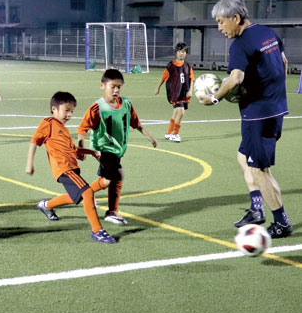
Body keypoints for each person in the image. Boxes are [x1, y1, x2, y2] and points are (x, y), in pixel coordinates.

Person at [200, 0, 292, 238]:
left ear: (236, 17)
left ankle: (281, 222)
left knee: (260, 170)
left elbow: (236, 78)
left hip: (258, 116)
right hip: (276, 108)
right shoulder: (267, 33)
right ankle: (256, 209)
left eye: (221, 21)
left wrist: (215, 97)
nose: (219, 27)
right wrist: (273, 91)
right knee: (244, 157)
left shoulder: (240, 44)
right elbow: (283, 62)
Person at [25, 91, 116, 244]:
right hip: (63, 169)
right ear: (54, 109)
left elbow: (73, 149)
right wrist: (29, 163)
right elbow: (34, 141)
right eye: (66, 110)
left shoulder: (63, 129)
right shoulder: (48, 123)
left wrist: (91, 152)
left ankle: (46, 205)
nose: (69, 114)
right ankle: (97, 231)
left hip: (72, 167)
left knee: (78, 196)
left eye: (71, 111)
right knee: (87, 192)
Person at [77, 68, 158, 225]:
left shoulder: (126, 104)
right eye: (112, 86)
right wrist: (81, 148)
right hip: (102, 149)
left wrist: (150, 137)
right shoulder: (97, 107)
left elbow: (135, 123)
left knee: (108, 179)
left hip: (118, 149)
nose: (116, 90)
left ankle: (86, 194)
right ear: (102, 86)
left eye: (119, 87)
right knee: (116, 175)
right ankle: (112, 212)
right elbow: (82, 129)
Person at [155, 42, 194, 143]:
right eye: (180, 51)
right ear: (176, 52)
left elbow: (191, 79)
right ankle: (175, 134)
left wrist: (190, 91)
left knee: (178, 113)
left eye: (184, 52)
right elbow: (163, 78)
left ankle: (168, 133)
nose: (182, 54)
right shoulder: (171, 66)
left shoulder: (188, 65)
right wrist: (158, 88)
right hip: (175, 92)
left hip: (184, 92)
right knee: (180, 112)